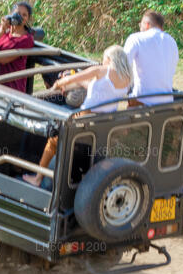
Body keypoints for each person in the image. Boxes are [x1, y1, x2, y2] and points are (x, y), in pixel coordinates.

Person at [22, 46, 133, 186]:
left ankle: (37, 178)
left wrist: (58, 83)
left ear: (109, 59)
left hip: (84, 118)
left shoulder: (100, 70)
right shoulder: (126, 78)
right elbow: (101, 90)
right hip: (103, 122)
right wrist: (80, 83)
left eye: (104, 58)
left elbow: (72, 78)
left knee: (53, 140)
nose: (102, 61)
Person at [123, 10, 179, 105]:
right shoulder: (172, 41)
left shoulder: (135, 39)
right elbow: (172, 69)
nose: (140, 27)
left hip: (143, 100)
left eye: (140, 24)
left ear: (147, 25)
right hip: (167, 100)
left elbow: (122, 66)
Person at [0, 10, 35, 92]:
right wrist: (1, 30)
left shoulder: (27, 39)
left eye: (24, 15)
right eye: (17, 13)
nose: (19, 17)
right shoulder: (4, 33)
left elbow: (4, 59)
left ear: (28, 19)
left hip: (13, 87)